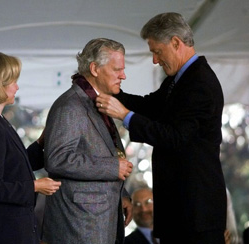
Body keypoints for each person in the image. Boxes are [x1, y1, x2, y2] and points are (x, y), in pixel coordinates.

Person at [96, 12, 227, 244]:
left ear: (176, 43)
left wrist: (124, 115)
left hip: (195, 214)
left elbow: (176, 137)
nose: (155, 60)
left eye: (157, 51)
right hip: (179, 211)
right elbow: (150, 106)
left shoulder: (200, 84)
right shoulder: (180, 79)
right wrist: (112, 93)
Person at [41, 38, 133, 244]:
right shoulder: (70, 107)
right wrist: (112, 168)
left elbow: (105, 152)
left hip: (98, 220)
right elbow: (57, 159)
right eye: (117, 69)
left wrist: (121, 194)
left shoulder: (95, 101)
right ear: (95, 68)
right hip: (80, 225)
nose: (123, 75)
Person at [0, 51, 61, 244]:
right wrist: (35, 186)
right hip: (2, 232)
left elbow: (11, 167)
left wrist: (40, 145)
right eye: (12, 82)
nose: (17, 87)